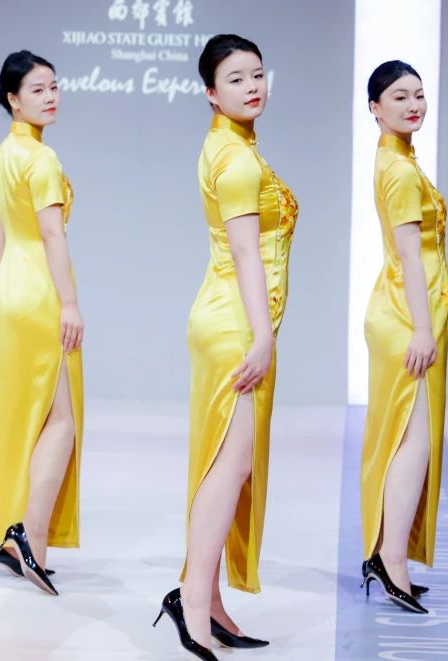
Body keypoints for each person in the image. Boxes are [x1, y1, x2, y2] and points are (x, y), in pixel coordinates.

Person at [155, 34, 297, 660]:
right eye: (236, 79)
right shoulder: (236, 158)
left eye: (258, 74)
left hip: (231, 315)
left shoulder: (231, 145)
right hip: (237, 322)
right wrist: (262, 335)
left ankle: (208, 602)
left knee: (225, 463)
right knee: (229, 466)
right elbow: (245, 253)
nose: (252, 86)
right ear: (211, 93)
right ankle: (192, 601)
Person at [0, 50, 82, 597]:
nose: (50, 96)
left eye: (54, 87)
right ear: (12, 100)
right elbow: (51, 235)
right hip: (39, 290)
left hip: (6, 292)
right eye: (37, 90)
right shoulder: (41, 159)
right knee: (61, 420)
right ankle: (29, 536)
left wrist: (4, 294)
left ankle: (17, 540)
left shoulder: (2, 155)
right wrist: (69, 303)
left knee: (28, 419)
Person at [359, 60, 448, 614]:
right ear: (375, 108)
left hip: (409, 310)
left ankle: (387, 554)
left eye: (418, 94)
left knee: (407, 439)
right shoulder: (398, 169)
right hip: (406, 316)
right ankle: (390, 560)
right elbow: (411, 257)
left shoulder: (401, 160)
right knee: (412, 441)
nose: (413, 104)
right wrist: (421, 327)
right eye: (399, 96)